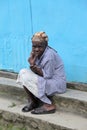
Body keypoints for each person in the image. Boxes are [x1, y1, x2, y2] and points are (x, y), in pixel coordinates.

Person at [17, 31, 66, 114]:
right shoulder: (37, 53)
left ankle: (48, 105)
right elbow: (37, 73)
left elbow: (48, 75)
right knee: (22, 73)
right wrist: (32, 64)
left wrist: (34, 67)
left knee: (25, 76)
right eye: (34, 46)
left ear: (46, 45)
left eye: (40, 46)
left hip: (56, 83)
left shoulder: (49, 56)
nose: (36, 49)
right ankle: (33, 102)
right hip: (47, 80)